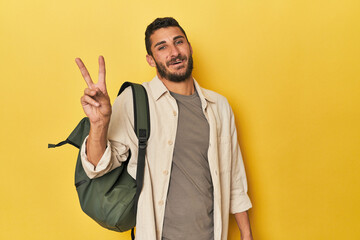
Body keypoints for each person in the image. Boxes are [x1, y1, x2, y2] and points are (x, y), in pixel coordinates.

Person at [75, 17, 253, 240]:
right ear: (150, 59)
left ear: (188, 47)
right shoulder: (134, 100)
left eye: (179, 42)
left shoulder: (220, 106)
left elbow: (233, 174)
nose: (174, 52)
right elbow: (97, 166)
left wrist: (246, 234)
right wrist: (99, 125)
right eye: (162, 47)